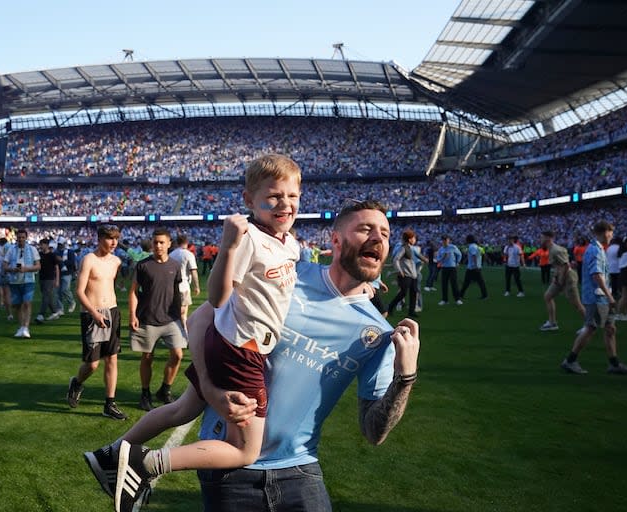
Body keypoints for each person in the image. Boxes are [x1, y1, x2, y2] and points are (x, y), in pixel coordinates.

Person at [84, 199, 420, 512]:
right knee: (183, 408)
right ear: (335, 240)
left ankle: (121, 454)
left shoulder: (378, 332)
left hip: (300, 469)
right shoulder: (287, 273)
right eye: (365, 229)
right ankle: (124, 457)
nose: (378, 237)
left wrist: (405, 378)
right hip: (229, 469)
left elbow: (374, 432)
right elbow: (204, 318)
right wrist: (212, 390)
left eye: (385, 233)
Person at [96, 154, 303, 511]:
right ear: (249, 201)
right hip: (243, 349)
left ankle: (110, 455)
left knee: (183, 409)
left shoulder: (288, 241)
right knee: (245, 449)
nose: (284, 203)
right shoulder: (249, 237)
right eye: (273, 196)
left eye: (292, 196)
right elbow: (218, 296)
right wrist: (228, 247)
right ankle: (146, 463)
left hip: (231, 342)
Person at [66, 224, 127, 420]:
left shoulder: (116, 261)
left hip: (112, 312)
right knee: (92, 364)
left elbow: (110, 285)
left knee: (112, 358)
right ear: (99, 239)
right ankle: (76, 382)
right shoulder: (88, 260)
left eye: (116, 238)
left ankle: (110, 404)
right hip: (92, 314)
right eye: (110, 238)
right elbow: (79, 291)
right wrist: (94, 313)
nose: (114, 242)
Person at [560, 220, 627, 376]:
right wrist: (610, 297)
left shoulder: (598, 249)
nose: (612, 236)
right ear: (603, 232)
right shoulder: (595, 250)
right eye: (611, 232)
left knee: (610, 328)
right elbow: (597, 275)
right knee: (591, 328)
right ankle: (570, 360)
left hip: (600, 296)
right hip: (597, 297)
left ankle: (614, 363)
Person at [129, 227, 187, 411]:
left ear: (170, 244)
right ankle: (145, 393)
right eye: (155, 242)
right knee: (147, 357)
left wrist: (182, 316)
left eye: (162, 242)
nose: (158, 246)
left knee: (178, 355)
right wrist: (132, 315)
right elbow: (133, 292)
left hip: (171, 319)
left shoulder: (175, 265)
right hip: (147, 318)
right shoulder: (143, 265)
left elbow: (178, 292)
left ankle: (165, 389)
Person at [538, 230, 584, 331]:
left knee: (576, 304)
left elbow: (565, 265)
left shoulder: (556, 250)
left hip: (568, 278)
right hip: (560, 277)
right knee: (548, 296)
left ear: (548, 238)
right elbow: (559, 266)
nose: (540, 240)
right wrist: (556, 277)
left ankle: (589, 324)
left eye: (542, 237)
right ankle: (552, 323)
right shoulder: (551, 249)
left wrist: (561, 280)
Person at [3, 228, 41, 339]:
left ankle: (26, 327)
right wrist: (12, 269)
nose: (21, 239)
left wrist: (27, 269)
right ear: (16, 238)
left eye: (23, 237)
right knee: (17, 305)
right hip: (14, 281)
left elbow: (38, 266)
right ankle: (21, 326)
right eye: (19, 237)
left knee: (27, 303)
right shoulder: (11, 250)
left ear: (26, 238)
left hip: (28, 280)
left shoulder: (32, 249)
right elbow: (4, 266)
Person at [168, 233, 201, 332]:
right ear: (186, 243)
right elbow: (193, 271)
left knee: (174, 312)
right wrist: (197, 286)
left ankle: (175, 333)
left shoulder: (171, 254)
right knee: (183, 313)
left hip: (172, 286)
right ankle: (184, 334)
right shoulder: (188, 254)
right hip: (184, 286)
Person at [387, 228, 419, 318]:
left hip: (413, 275)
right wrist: (399, 270)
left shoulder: (410, 248)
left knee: (414, 293)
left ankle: (411, 312)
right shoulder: (403, 248)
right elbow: (396, 259)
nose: (415, 240)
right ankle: (390, 307)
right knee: (403, 293)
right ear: (409, 239)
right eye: (414, 238)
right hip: (405, 275)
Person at [34, 238, 62, 323]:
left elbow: (57, 268)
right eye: (40, 244)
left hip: (50, 278)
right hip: (42, 277)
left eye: (42, 244)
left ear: (47, 245)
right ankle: (55, 311)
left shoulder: (52, 255)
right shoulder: (39, 255)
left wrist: (57, 280)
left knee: (45, 296)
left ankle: (41, 314)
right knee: (47, 296)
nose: (41, 246)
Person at [459, 234, 488, 300]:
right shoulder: (477, 246)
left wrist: (475, 266)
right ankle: (461, 294)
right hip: (475, 267)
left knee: (470, 282)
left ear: (468, 240)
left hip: (472, 267)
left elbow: (474, 256)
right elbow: (480, 255)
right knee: (478, 282)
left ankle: (461, 295)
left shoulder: (471, 247)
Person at [436, 234, 462, 306]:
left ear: (449, 240)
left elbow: (459, 254)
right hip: (444, 267)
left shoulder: (453, 247)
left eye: (447, 240)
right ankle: (444, 300)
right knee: (444, 284)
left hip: (452, 267)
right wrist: (443, 257)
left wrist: (457, 262)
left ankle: (457, 299)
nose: (446, 241)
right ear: (442, 241)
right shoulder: (441, 249)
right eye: (444, 240)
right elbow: (438, 259)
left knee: (454, 283)